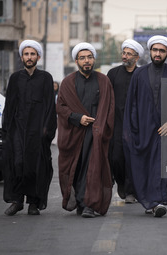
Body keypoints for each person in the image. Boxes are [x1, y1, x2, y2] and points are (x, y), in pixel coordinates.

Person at [123, 35, 167, 217]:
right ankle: (150, 201)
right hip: (143, 131)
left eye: (162, 51)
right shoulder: (139, 74)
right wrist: (133, 130)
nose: (157, 54)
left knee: (162, 165)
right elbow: (132, 104)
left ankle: (157, 201)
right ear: (150, 51)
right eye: (155, 50)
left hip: (166, 132)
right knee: (144, 166)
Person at [56, 42, 114, 218]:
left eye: (89, 57)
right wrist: (77, 117)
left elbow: (109, 107)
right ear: (76, 61)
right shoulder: (67, 83)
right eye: (82, 58)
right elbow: (61, 107)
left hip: (96, 134)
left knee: (93, 168)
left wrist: (101, 129)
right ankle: (81, 202)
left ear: (94, 59)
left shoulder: (103, 81)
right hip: (75, 134)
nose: (86, 61)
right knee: (78, 168)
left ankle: (90, 205)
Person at [2, 40, 57, 216]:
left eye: (32, 54)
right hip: (18, 129)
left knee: (36, 166)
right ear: (21, 57)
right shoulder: (15, 78)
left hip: (37, 131)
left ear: (38, 57)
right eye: (26, 54)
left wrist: (46, 131)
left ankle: (34, 202)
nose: (29, 57)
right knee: (17, 163)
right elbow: (9, 106)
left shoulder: (46, 78)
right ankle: (17, 201)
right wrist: (7, 131)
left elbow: (50, 106)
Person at [107, 39, 144, 204]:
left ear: (136, 58)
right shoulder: (113, 74)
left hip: (136, 124)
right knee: (116, 158)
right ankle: (121, 183)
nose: (125, 56)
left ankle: (130, 191)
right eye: (124, 53)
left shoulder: (142, 75)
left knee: (133, 158)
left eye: (129, 54)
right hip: (117, 123)